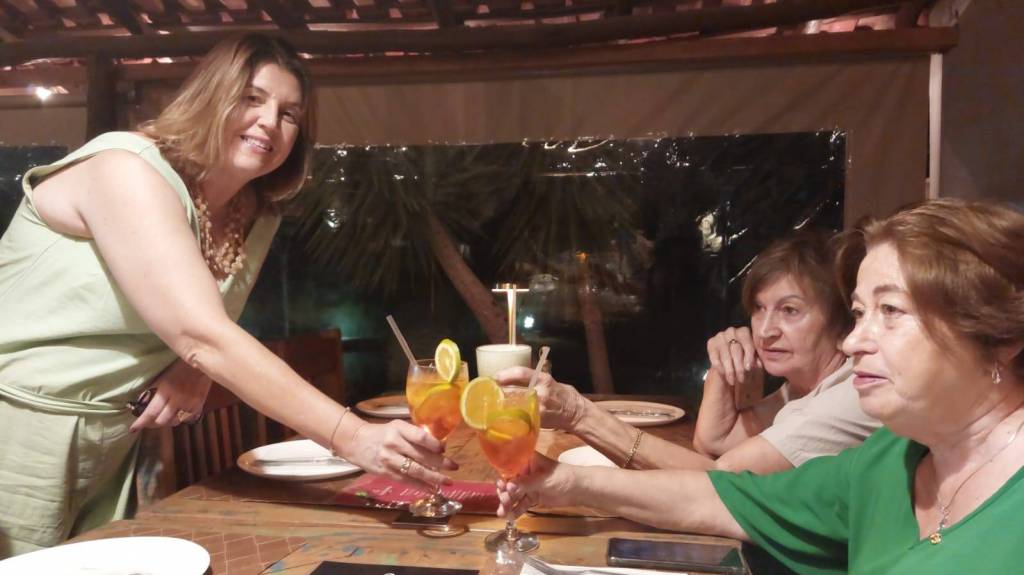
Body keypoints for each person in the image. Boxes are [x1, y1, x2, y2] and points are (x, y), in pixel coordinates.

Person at [0, 34, 450, 558]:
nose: (270, 122)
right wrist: (354, 437)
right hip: (19, 423)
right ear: (210, 96)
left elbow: (210, 328)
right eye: (252, 98)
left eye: (289, 114)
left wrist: (195, 369)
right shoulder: (126, 168)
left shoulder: (253, 213)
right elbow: (202, 334)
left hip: (114, 438)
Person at [499, 199, 1024, 573]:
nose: (855, 341)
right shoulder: (891, 458)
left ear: (1001, 337)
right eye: (861, 313)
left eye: (890, 311)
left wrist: (578, 418)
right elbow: (727, 497)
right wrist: (566, 481)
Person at [499, 230, 877, 474]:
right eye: (760, 309)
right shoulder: (800, 388)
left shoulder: (851, 395)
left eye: (790, 311)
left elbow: (722, 480)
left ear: (844, 321)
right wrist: (721, 364)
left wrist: (580, 414)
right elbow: (714, 442)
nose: (764, 330)